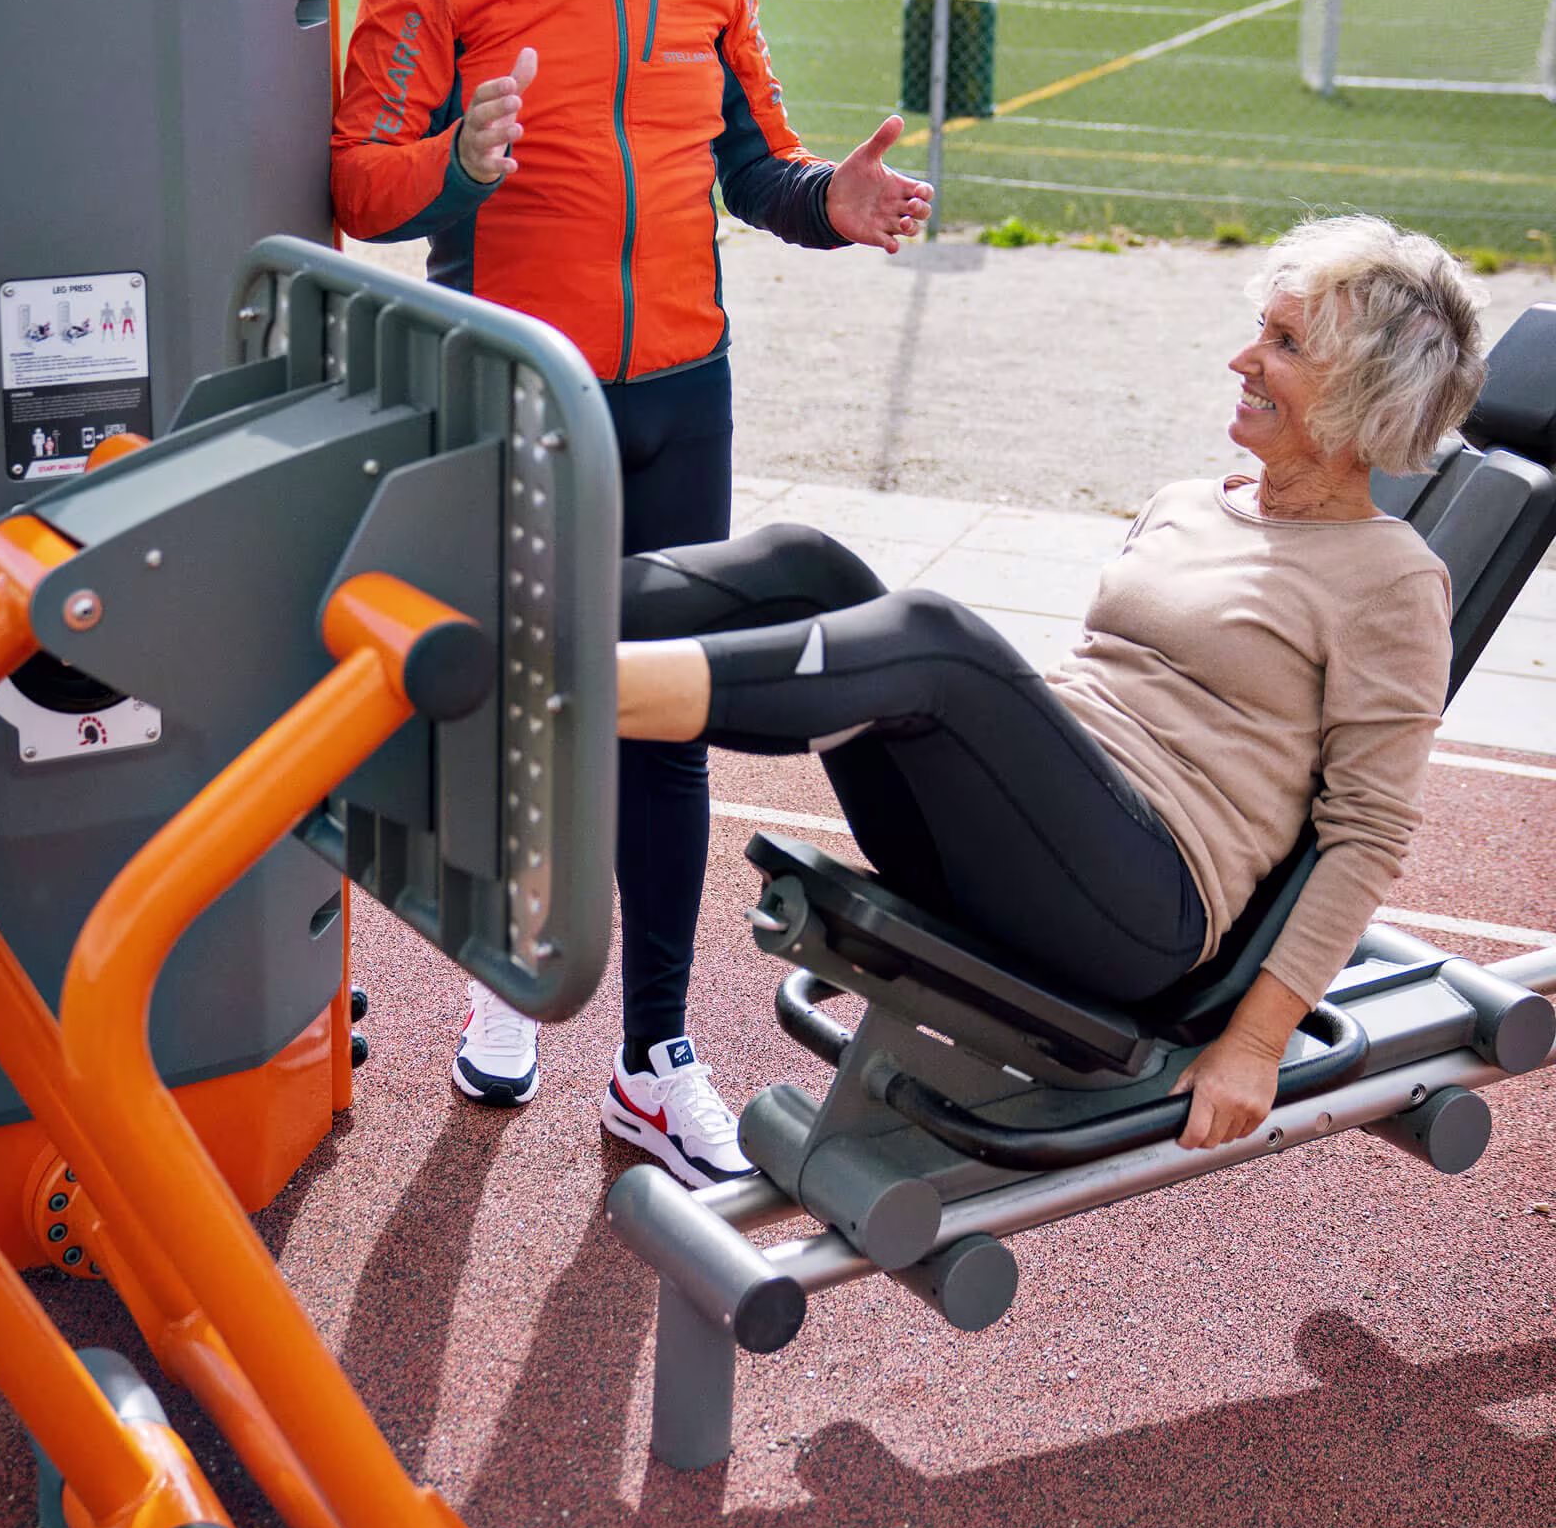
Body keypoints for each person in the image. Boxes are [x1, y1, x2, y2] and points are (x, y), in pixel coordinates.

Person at [331, 0, 932, 1187]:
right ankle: (510, 963)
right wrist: (460, 163)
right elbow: (358, 184)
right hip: (509, 402)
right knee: (504, 701)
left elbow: (757, 168)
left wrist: (835, 204)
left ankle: (657, 1059)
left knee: (665, 715)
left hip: (682, 398)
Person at [612, 215, 1486, 1151]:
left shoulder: (1392, 579)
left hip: (1137, 909)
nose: (1242, 358)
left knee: (933, 641)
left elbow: (1366, 835)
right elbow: (1093, 700)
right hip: (1021, 850)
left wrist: (1257, 1044)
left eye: (1284, 344)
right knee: (805, 564)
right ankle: (523, 623)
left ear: (1365, 393)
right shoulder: (1188, 503)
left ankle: (574, 693)